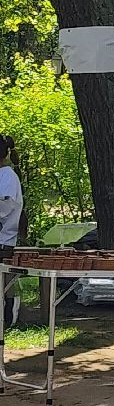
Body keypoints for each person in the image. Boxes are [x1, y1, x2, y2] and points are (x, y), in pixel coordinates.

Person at [0, 135, 21, 326]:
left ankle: (9, 310)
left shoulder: (7, 176)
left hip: (3, 239)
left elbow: (5, 207)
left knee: (3, 282)